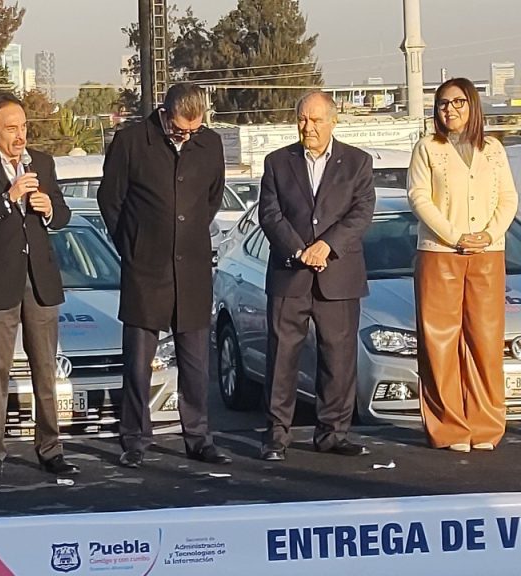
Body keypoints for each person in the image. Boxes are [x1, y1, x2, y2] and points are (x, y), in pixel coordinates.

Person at [98, 83, 231, 469]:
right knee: (138, 360)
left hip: (191, 267)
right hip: (145, 267)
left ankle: (198, 436)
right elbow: (111, 199)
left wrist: (186, 234)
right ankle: (136, 438)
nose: (186, 136)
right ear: (164, 113)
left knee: (195, 361)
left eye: (194, 129)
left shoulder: (210, 145)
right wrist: (133, 243)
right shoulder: (132, 142)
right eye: (179, 129)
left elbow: (212, 197)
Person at [0, 92, 79, 481]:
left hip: (40, 280)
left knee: (46, 368)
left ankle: (50, 448)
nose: (20, 135)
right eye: (11, 128)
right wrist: (8, 199)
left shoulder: (42, 163)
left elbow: (63, 214)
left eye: (24, 127)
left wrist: (49, 208)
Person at [258, 91, 376, 462]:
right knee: (281, 358)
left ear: (333, 121)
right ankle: (277, 435)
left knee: (338, 358)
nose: (308, 127)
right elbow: (270, 213)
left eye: (316, 120)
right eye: (302, 119)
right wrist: (298, 250)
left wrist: (326, 246)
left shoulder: (357, 162)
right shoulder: (277, 162)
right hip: (289, 274)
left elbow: (361, 212)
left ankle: (333, 433)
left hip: (337, 275)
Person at [408, 77, 518, 452]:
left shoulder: (494, 149)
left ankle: (486, 427)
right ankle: (450, 428)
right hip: (440, 254)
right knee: (440, 342)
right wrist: (455, 237)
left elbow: (507, 198)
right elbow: (419, 198)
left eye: (457, 102)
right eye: (442, 103)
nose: (450, 109)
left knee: (486, 341)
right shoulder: (427, 148)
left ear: (472, 105)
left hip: (488, 255)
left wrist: (488, 236)